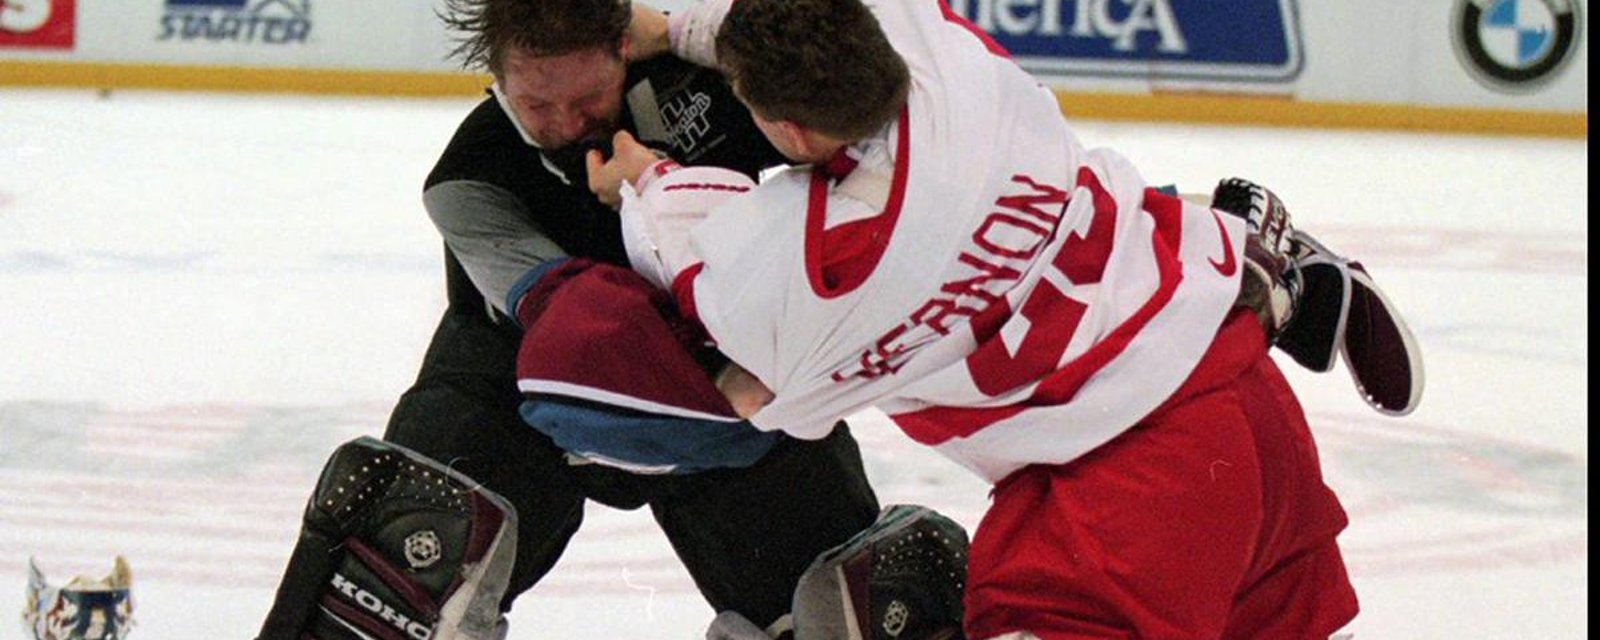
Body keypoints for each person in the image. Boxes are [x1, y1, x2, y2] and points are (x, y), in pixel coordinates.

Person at [586, 0, 1424, 636]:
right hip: (1239, 391)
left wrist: (640, 183)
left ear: (788, 130)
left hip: (1123, 499)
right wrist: (680, 27)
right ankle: (1259, 257)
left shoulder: (823, 275)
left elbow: (738, 350)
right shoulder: (944, 52)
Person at [253, 0, 898, 638]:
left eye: (589, 98)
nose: (566, 123)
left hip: (729, 367)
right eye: (536, 105)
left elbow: (871, 141)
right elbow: (585, 328)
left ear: (625, 49)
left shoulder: (710, 92)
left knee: (853, 608)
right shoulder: (466, 180)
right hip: (517, 382)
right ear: (497, 77)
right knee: (380, 583)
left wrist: (696, 39)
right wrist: (662, 194)